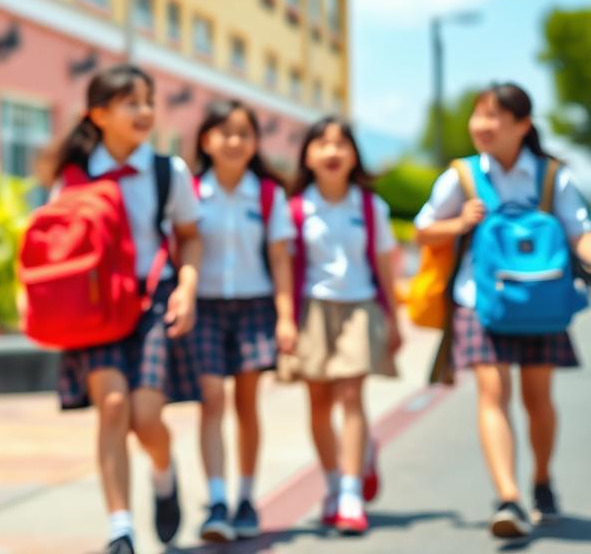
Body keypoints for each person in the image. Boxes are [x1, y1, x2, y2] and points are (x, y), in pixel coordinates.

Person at [415, 83, 591, 538]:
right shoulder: (462, 176)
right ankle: (509, 496)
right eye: (478, 115)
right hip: (479, 301)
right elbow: (424, 232)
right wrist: (460, 222)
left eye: (494, 116)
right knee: (492, 393)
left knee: (538, 400)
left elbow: (580, 235)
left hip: (543, 302)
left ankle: (541, 481)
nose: (481, 125)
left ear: (523, 125)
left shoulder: (554, 177)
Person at [52, 65, 202, 554]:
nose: (144, 111)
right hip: (97, 304)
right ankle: (120, 527)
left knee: (145, 416)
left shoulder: (167, 172)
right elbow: (59, 246)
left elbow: (189, 237)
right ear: (98, 114)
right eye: (130, 102)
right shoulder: (73, 177)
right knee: (112, 408)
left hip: (153, 298)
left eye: (148, 101)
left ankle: (163, 472)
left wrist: (188, 288)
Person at [282, 117, 400, 537]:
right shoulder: (294, 206)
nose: (332, 152)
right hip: (311, 310)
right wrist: (284, 320)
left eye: (341, 144)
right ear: (308, 155)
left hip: (360, 307)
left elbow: (384, 263)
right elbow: (282, 265)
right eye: (322, 144)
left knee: (351, 394)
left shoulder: (370, 207)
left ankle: (350, 492)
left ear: (354, 154)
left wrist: (394, 317)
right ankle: (332, 482)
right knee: (318, 402)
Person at [191, 100, 296, 542]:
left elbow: (279, 258)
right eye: (225, 132)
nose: (235, 141)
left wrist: (286, 318)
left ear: (255, 143)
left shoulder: (269, 194)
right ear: (206, 140)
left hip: (255, 306)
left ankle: (247, 498)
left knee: (247, 404)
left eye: (244, 133)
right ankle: (216, 501)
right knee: (212, 399)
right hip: (206, 307)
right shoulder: (191, 191)